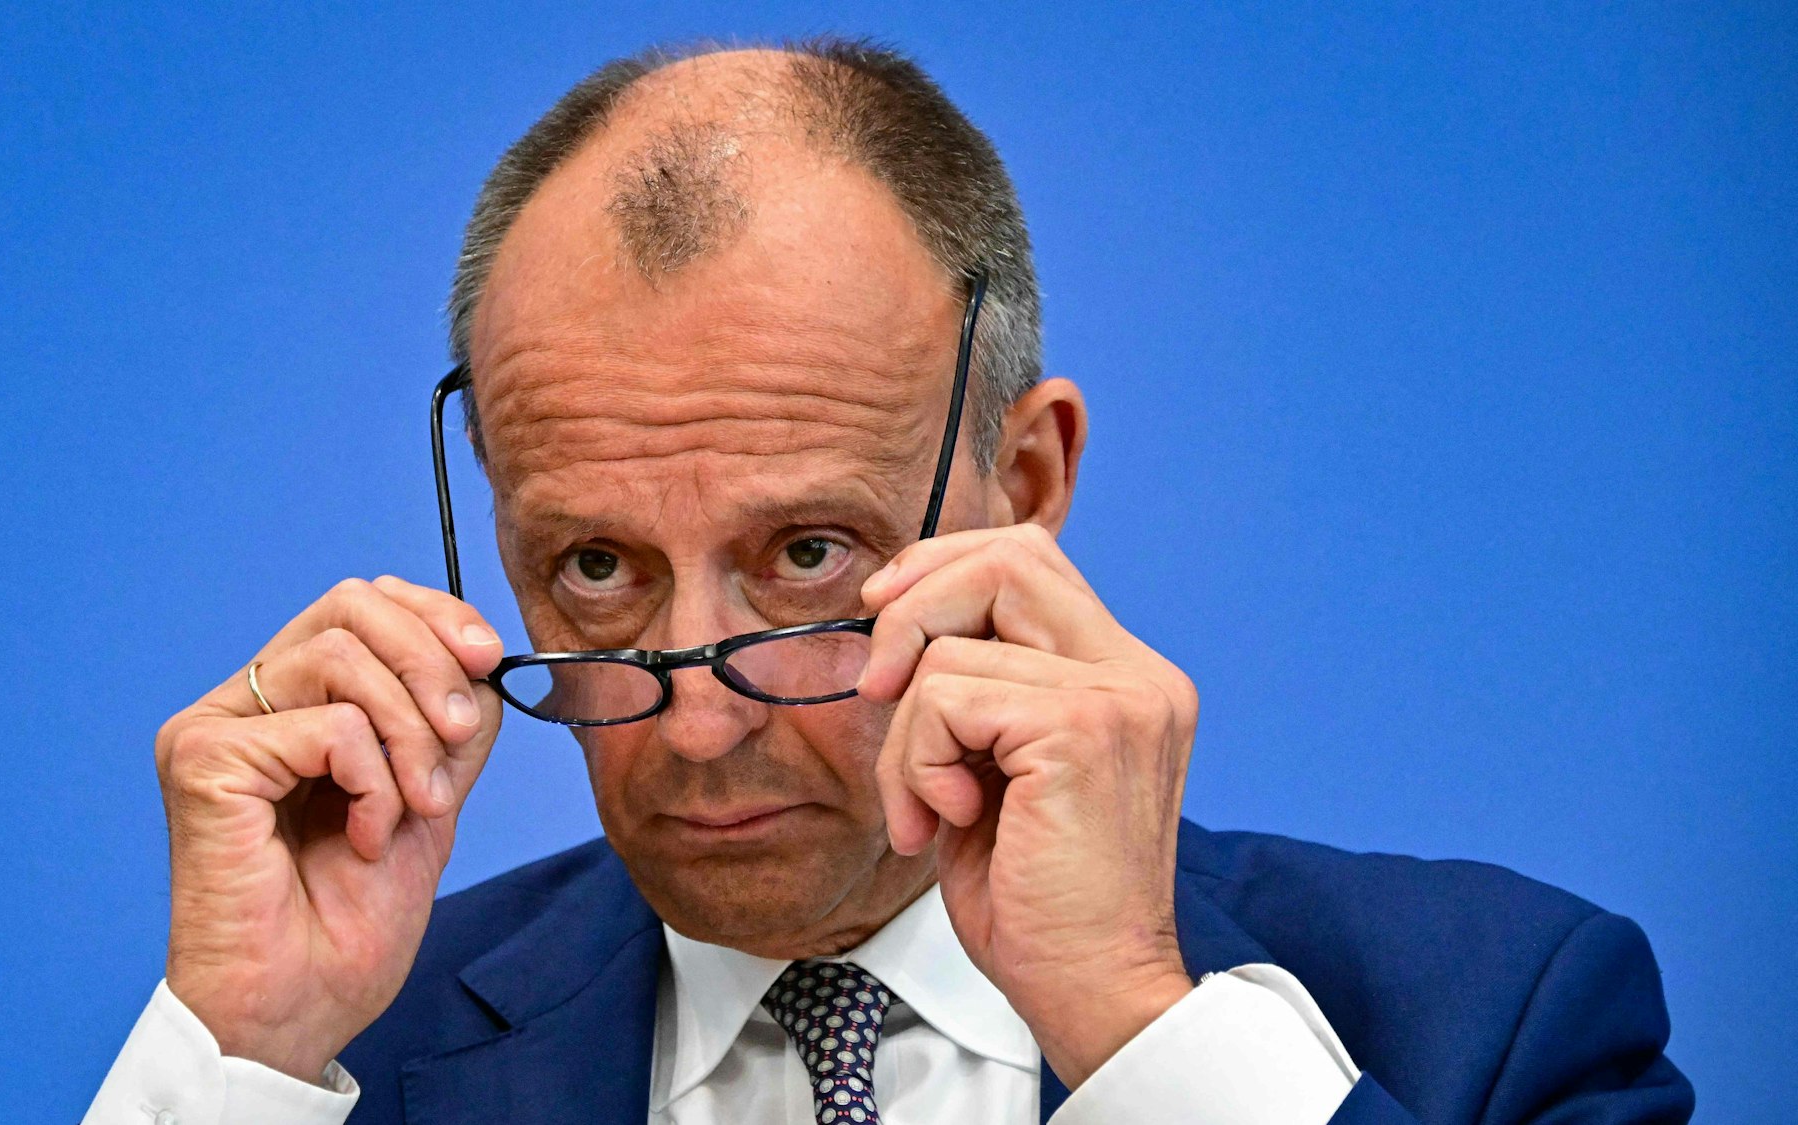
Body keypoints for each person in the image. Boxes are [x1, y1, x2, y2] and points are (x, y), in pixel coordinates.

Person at [84, 38, 1691, 1124]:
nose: (695, 726)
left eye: (807, 555)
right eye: (592, 565)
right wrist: (236, 1059)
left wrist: (1142, 1027)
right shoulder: (322, 1067)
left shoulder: (1503, 1019)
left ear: (1031, 487)